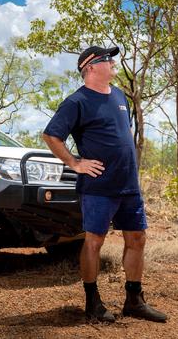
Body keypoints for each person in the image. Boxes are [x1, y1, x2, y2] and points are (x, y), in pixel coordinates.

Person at [42, 46, 168, 323]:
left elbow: (123, 134)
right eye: (107, 59)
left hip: (128, 185)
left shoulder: (120, 96)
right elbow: (51, 136)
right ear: (90, 67)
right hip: (99, 187)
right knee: (94, 242)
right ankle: (92, 301)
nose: (112, 63)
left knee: (137, 239)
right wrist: (75, 163)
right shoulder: (76, 102)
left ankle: (134, 300)